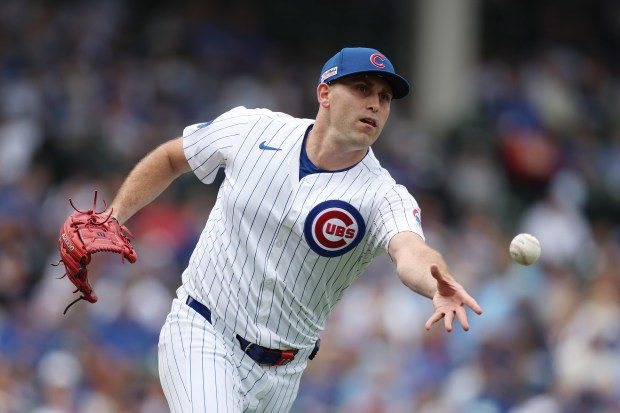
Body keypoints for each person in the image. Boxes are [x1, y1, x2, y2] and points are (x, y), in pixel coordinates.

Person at [107, 46, 483, 413]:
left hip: (283, 375)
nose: (375, 105)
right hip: (204, 331)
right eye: (362, 89)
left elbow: (410, 250)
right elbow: (174, 156)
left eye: (385, 97)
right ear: (324, 94)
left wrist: (437, 281)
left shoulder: (383, 194)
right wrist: (113, 216)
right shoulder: (254, 130)